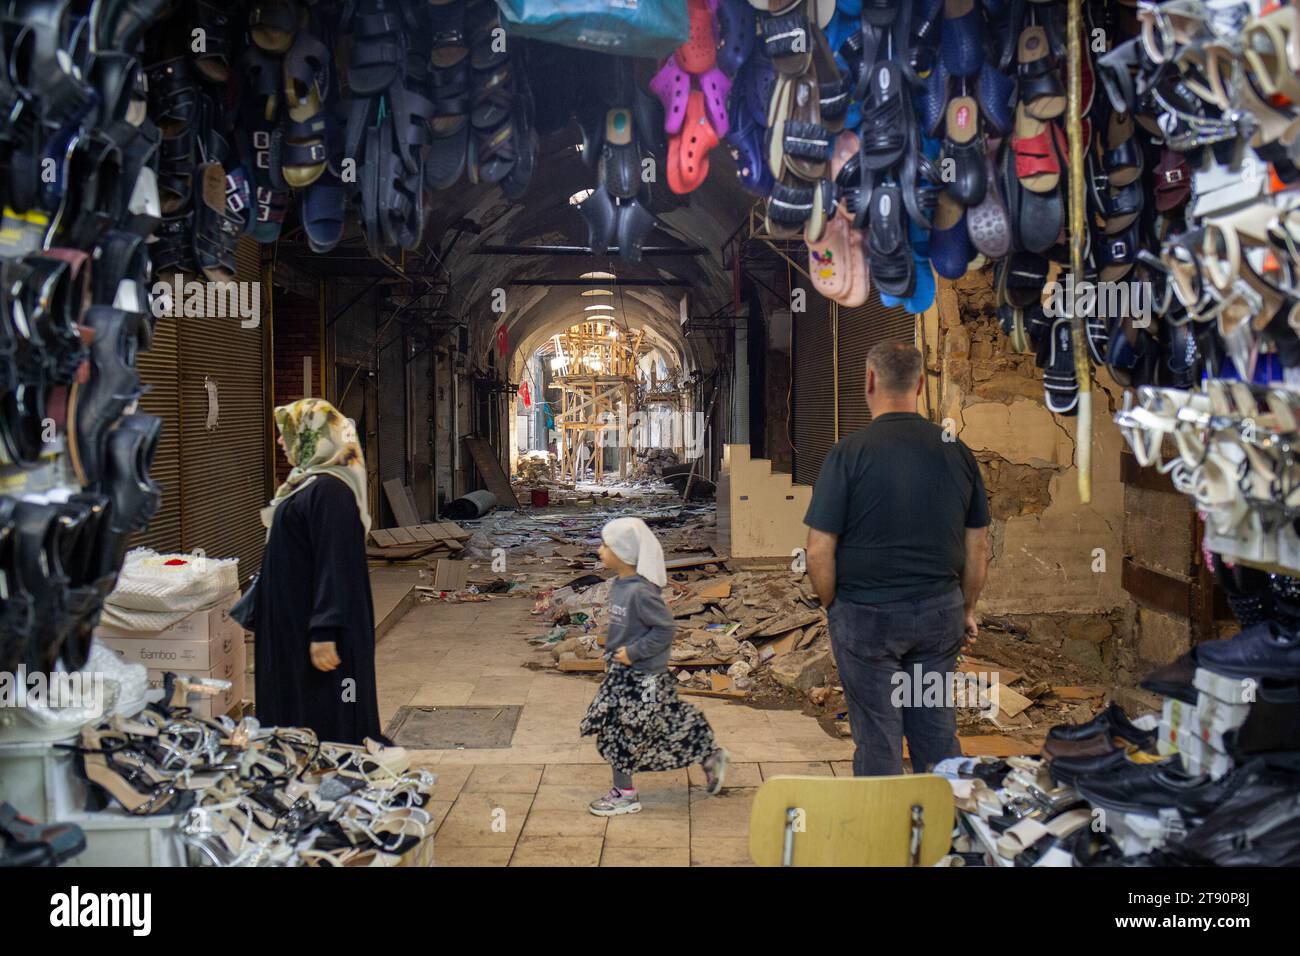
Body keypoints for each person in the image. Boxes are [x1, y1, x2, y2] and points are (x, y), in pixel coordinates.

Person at [804, 343, 990, 776]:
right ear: (921, 385)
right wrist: (967, 608)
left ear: (869, 381)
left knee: (878, 738)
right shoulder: (956, 450)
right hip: (937, 617)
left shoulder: (849, 453)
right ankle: (946, 833)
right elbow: (978, 546)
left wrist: (833, 606)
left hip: (866, 619)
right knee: (936, 734)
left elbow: (818, 549)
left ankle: (883, 837)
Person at [254, 398, 383, 744]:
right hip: (293, 627)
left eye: (288, 433)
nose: (281, 442)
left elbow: (336, 562)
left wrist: (325, 630)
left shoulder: (330, 491)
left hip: (317, 631)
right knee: (296, 712)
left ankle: (336, 774)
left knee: (330, 711)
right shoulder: (306, 484)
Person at [580, 517, 729, 815]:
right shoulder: (621, 584)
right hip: (624, 674)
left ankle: (625, 794)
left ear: (625, 553)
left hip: (644, 676)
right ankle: (708, 755)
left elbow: (664, 630)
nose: (600, 551)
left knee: (624, 730)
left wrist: (633, 653)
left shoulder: (641, 592)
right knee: (637, 726)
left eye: (606, 545)